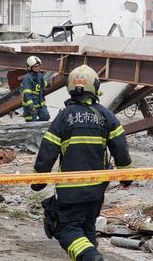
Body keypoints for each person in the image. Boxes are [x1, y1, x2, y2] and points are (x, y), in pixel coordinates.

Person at [31, 65, 133, 261]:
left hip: (70, 189)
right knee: (87, 227)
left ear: (70, 88)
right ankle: (90, 254)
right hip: (96, 189)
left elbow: (47, 150)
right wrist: (126, 177)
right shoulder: (106, 115)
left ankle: (91, 257)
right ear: (94, 87)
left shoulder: (64, 117)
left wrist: (38, 180)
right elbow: (120, 148)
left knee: (65, 228)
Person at [21, 56, 50, 122]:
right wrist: (31, 107)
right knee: (32, 123)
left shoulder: (39, 75)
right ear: (30, 67)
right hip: (30, 107)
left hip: (40, 104)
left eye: (39, 66)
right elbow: (27, 95)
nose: (38, 68)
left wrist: (47, 84)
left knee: (46, 117)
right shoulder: (27, 79)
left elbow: (41, 85)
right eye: (35, 67)